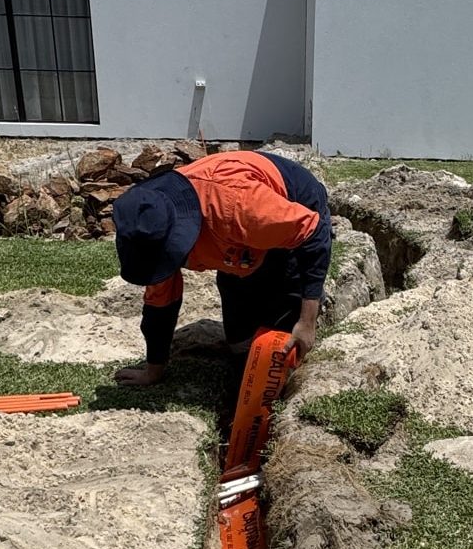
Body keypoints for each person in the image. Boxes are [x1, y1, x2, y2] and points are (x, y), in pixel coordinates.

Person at [111, 149, 331, 387]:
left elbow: (312, 233)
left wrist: (306, 320)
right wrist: (153, 369)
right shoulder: (150, 227)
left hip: (292, 210)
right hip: (237, 250)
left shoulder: (239, 206)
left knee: (278, 350)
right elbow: (161, 302)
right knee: (241, 347)